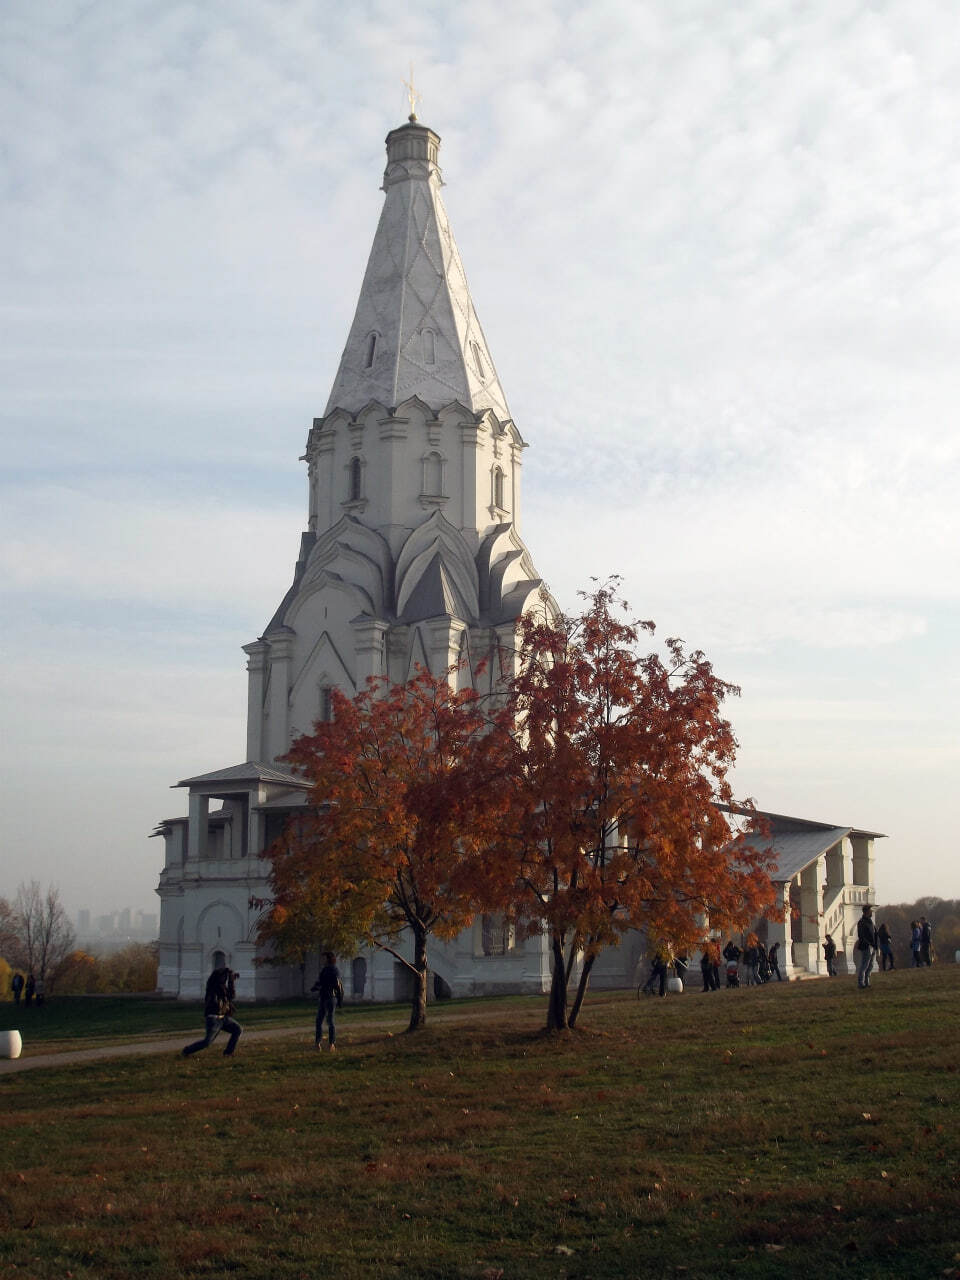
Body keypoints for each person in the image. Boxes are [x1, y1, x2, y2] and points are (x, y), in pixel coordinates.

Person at [181, 966, 242, 1058]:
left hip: (223, 1018)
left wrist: (231, 981)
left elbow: (231, 996)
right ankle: (186, 1051)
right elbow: (216, 998)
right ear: (219, 977)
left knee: (237, 1029)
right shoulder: (213, 987)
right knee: (207, 1042)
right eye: (224, 977)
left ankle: (228, 1053)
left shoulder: (222, 987)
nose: (225, 979)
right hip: (214, 1019)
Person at [311, 952, 344, 1050]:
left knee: (330, 1021)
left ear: (329, 959)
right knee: (318, 1020)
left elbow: (338, 985)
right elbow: (320, 982)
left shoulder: (334, 970)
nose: (322, 960)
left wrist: (340, 999)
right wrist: (315, 987)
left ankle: (331, 1043)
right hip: (323, 996)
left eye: (324, 958)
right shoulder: (324, 970)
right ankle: (318, 1043)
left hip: (331, 997)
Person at [855, 904, 878, 989]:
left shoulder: (870, 921)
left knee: (870, 965)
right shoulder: (862, 922)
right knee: (865, 965)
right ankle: (861, 983)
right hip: (866, 947)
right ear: (866, 912)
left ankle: (867, 981)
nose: (871, 912)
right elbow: (861, 936)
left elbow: (874, 933)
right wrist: (868, 944)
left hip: (873, 946)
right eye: (870, 910)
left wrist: (875, 945)